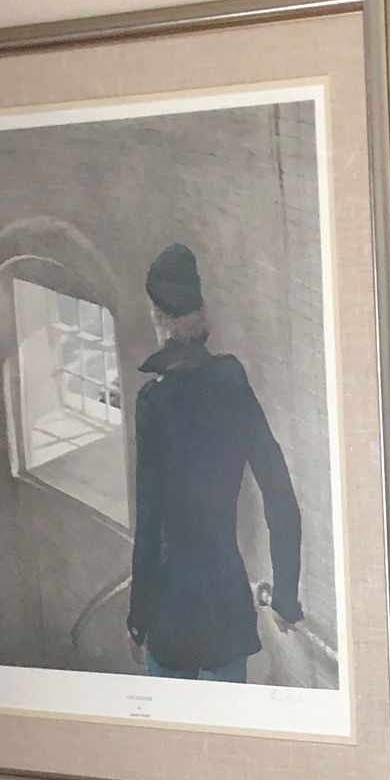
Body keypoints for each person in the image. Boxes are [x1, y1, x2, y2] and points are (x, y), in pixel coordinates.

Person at [126, 244, 303, 683]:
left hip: (170, 611)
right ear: (201, 312)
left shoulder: (154, 402)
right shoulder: (230, 379)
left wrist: (136, 618)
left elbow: (149, 524)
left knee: (174, 738)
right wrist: (285, 595)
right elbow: (279, 491)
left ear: (158, 317)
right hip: (226, 604)